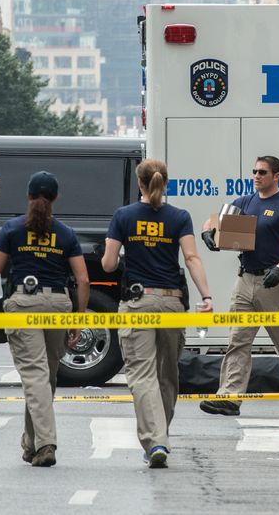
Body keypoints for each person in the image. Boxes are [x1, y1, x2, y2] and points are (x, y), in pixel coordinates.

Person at [102, 159, 214, 468]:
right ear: (165, 183)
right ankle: (161, 434)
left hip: (138, 303)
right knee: (167, 375)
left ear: (139, 183)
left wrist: (122, 252)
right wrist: (206, 295)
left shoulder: (123, 216)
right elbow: (191, 257)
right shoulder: (179, 216)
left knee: (142, 374)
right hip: (171, 303)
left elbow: (108, 265)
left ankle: (156, 441)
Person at [199, 155, 279, 419]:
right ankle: (229, 397)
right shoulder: (245, 202)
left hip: (275, 282)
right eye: (254, 171)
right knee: (237, 340)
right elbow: (214, 221)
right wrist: (208, 231)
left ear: (276, 176)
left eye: (262, 172)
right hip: (245, 280)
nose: (256, 175)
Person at [0, 171, 89, 467]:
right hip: (58, 305)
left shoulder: (12, 229)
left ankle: (46, 444)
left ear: (29, 196)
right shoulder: (66, 233)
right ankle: (31, 443)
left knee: (35, 376)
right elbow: (82, 279)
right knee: (46, 378)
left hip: (24, 304)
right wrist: (78, 319)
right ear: (56, 198)